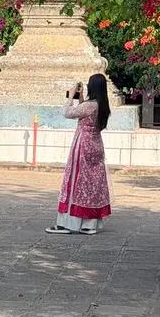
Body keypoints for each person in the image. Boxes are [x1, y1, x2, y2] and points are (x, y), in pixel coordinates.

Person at [46, 73, 112, 236]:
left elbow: (68, 113)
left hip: (83, 144)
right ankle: (89, 224)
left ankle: (68, 223)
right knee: (92, 183)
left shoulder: (90, 105)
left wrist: (70, 97)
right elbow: (86, 112)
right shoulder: (101, 105)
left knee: (75, 181)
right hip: (96, 144)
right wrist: (81, 97)